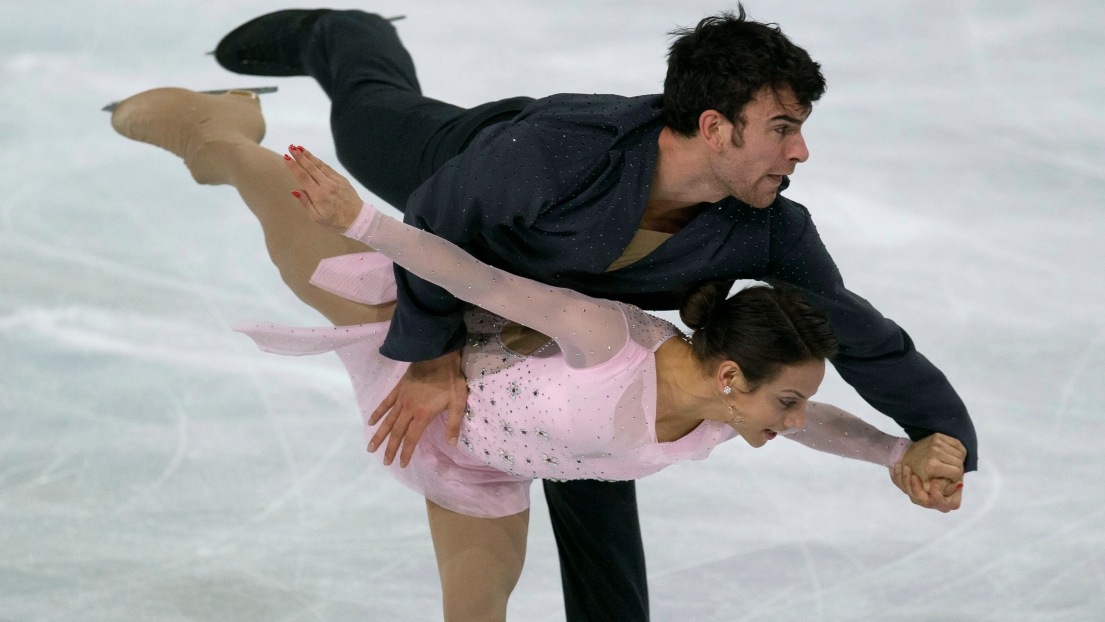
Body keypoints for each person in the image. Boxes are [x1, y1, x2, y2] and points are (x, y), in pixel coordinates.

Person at [134, 6, 978, 620]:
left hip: (567, 347)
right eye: (783, 127)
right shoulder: (558, 150)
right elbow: (436, 229)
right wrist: (427, 360)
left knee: (605, 461)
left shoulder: (769, 230)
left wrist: (939, 443)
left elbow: (856, 333)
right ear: (715, 127)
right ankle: (344, 34)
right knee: (363, 124)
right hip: (461, 207)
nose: (799, 151)